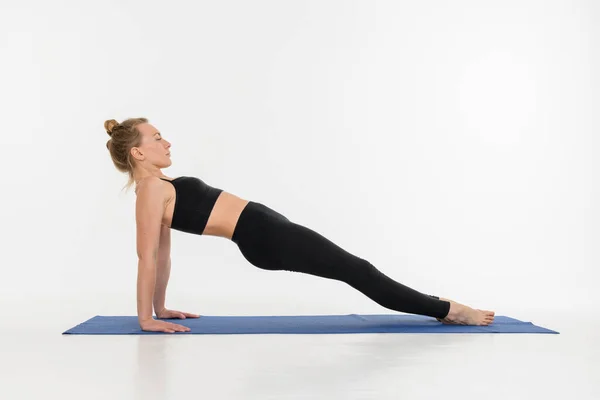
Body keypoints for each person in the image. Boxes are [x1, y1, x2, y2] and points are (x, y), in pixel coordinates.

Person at [104, 117, 495, 333]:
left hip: (267, 232)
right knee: (357, 270)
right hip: (265, 236)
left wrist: (161, 308)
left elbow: (164, 255)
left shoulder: (159, 188)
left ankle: (442, 307)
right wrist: (145, 318)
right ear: (138, 151)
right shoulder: (151, 190)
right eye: (157, 138)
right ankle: (448, 310)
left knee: (354, 269)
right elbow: (148, 256)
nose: (167, 142)